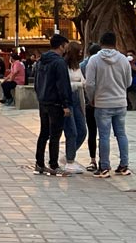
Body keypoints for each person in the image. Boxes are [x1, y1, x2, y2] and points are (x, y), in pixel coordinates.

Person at [85, 31, 133, 178]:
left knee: (104, 136)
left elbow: (89, 83)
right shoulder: (124, 60)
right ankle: (124, 165)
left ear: (101, 43)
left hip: (102, 102)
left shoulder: (94, 60)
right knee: (121, 134)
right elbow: (129, 81)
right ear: (115, 43)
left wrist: (92, 98)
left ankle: (104, 166)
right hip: (120, 101)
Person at [33, 34, 72, 175]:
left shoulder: (41, 61)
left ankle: (39, 163)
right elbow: (62, 84)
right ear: (61, 46)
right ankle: (54, 164)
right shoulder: (59, 63)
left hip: (43, 101)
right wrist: (65, 104)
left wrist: (40, 96)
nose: (66, 49)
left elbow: (36, 82)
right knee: (55, 135)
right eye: (65, 46)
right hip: (55, 103)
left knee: (44, 133)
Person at [62, 42, 88, 174]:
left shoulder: (77, 67)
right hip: (68, 99)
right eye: (79, 52)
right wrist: (78, 84)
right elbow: (65, 85)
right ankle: (70, 161)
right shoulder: (63, 66)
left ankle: (69, 154)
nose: (81, 54)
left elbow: (83, 81)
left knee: (82, 131)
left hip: (78, 100)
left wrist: (80, 84)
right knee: (72, 131)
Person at [80, 44, 101, 171]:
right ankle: (102, 161)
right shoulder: (101, 64)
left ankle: (93, 160)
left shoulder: (82, 65)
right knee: (102, 134)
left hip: (89, 102)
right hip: (101, 101)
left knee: (92, 132)